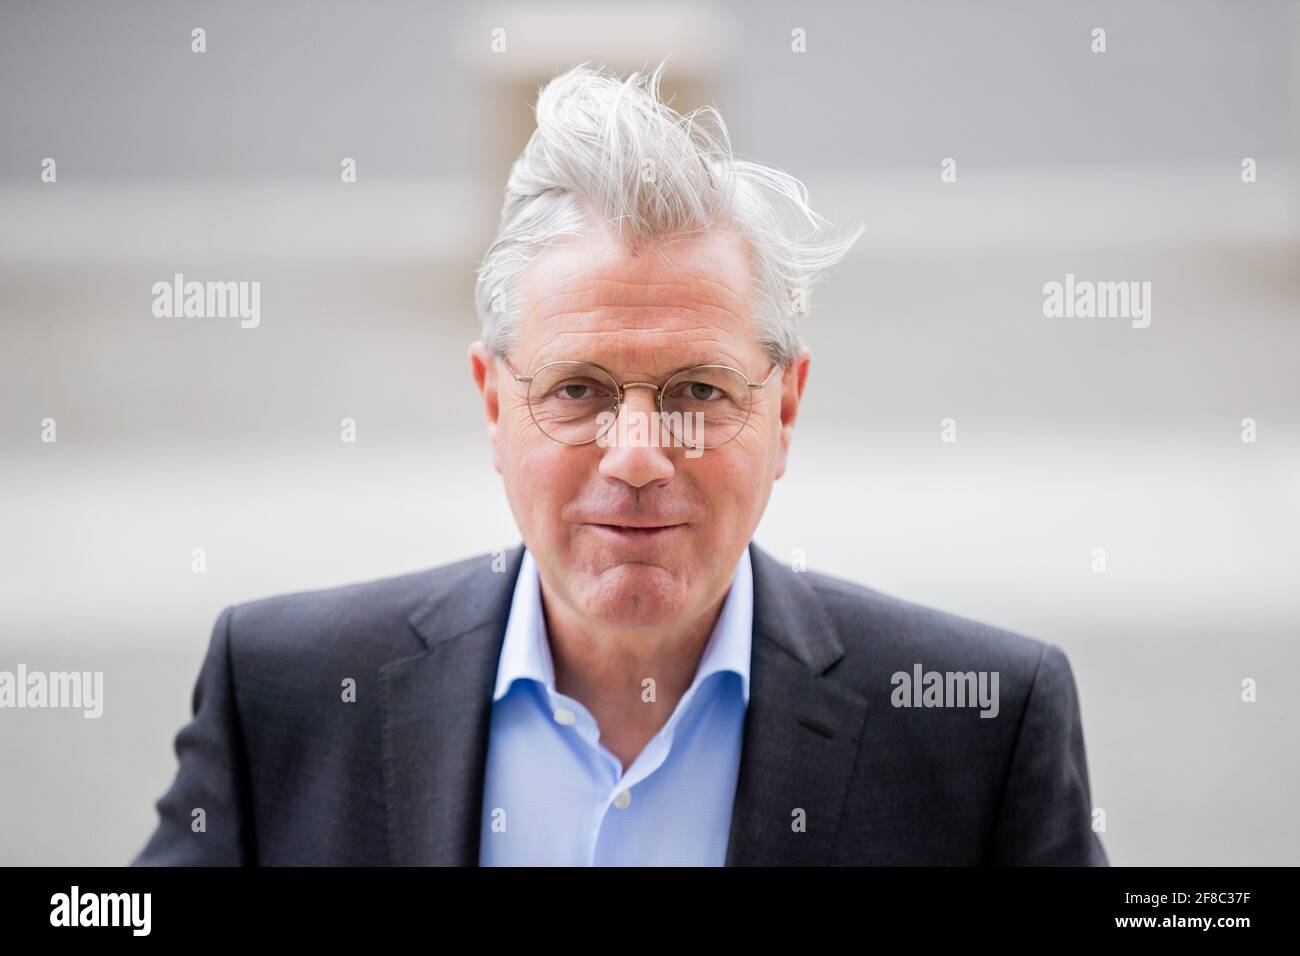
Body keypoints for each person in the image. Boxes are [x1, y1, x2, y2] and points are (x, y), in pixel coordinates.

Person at [132, 61, 1107, 866]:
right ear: (492, 401)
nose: (639, 457)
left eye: (697, 391)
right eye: (579, 390)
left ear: (786, 406)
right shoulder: (284, 692)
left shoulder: (979, 722)